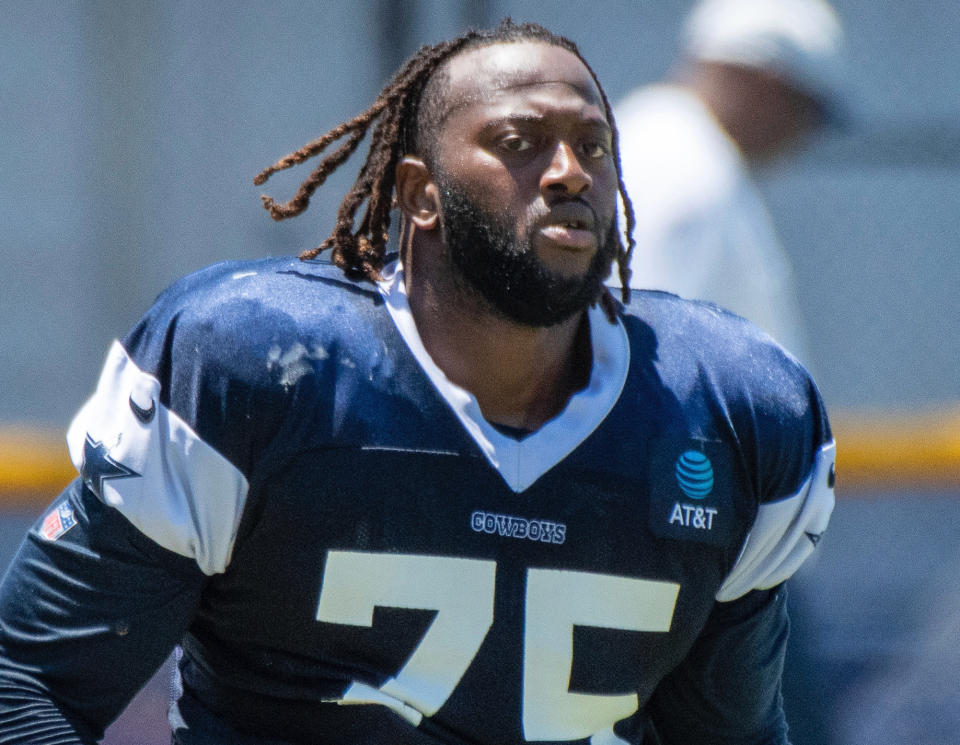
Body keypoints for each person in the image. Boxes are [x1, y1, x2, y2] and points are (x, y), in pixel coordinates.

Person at [0, 19, 835, 745]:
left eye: (592, 145)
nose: (570, 172)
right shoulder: (258, 369)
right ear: (419, 193)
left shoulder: (731, 409)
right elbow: (27, 684)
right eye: (520, 143)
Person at [611, 0, 847, 361]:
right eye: (808, 111)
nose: (804, 134)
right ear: (772, 84)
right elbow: (640, 355)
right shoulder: (686, 166)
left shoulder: (656, 134)